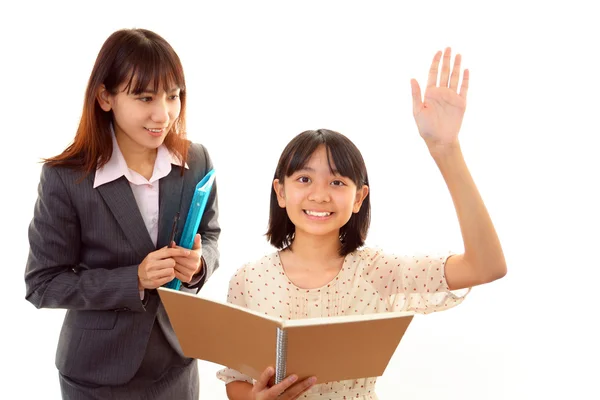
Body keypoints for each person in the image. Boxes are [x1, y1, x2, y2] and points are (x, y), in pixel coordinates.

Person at [216, 47, 507, 400]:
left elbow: (487, 266)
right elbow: (235, 382)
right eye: (304, 180)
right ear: (280, 191)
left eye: (337, 182)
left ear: (358, 198)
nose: (320, 195)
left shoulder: (377, 271)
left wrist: (446, 149)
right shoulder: (249, 280)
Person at [24, 28, 220, 400]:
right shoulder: (67, 178)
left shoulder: (195, 160)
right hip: (97, 374)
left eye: (173, 96)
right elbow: (43, 284)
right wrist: (135, 279)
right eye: (145, 97)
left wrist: (199, 265)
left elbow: (210, 235)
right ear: (105, 97)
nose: (163, 114)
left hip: (177, 366)